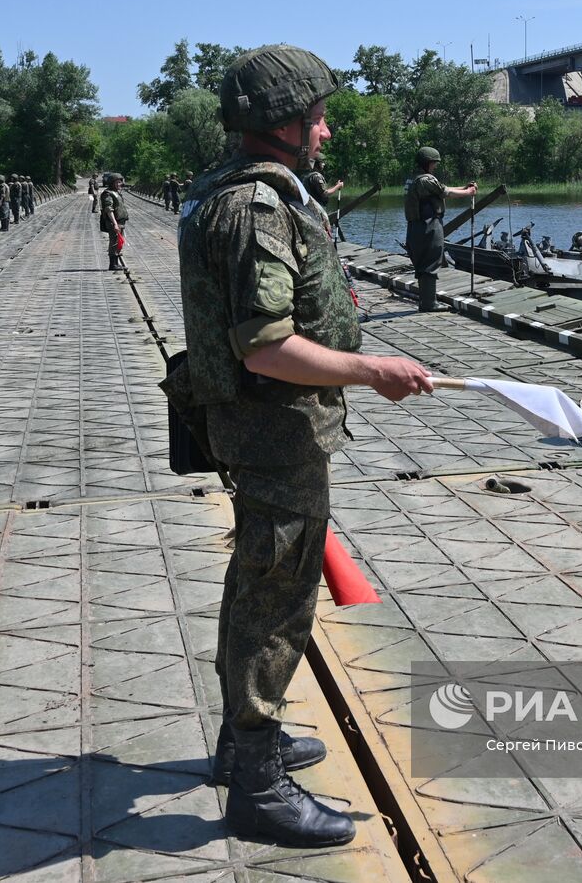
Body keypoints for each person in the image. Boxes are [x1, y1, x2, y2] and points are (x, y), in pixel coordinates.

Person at [174, 43, 432, 848]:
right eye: (314, 118)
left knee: (258, 582)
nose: (325, 131)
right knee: (275, 600)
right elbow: (265, 346)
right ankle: (257, 782)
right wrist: (370, 368)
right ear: (279, 125)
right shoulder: (254, 208)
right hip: (274, 432)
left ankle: (243, 741)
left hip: (268, 431)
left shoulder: (238, 190)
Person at [403, 146, 476, 311]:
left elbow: (443, 189)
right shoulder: (425, 180)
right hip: (428, 225)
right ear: (427, 163)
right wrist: (469, 192)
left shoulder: (413, 179)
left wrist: (464, 188)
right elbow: (446, 193)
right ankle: (429, 304)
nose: (435, 166)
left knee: (422, 263)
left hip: (415, 227)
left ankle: (426, 302)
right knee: (430, 262)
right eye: (434, 163)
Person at [99, 172, 128, 270]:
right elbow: (108, 209)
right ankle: (113, 264)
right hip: (114, 222)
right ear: (112, 183)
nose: (119, 184)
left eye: (120, 182)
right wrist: (114, 223)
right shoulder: (108, 194)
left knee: (118, 242)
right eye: (117, 182)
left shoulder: (116, 193)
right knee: (114, 242)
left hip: (120, 221)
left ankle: (116, 262)